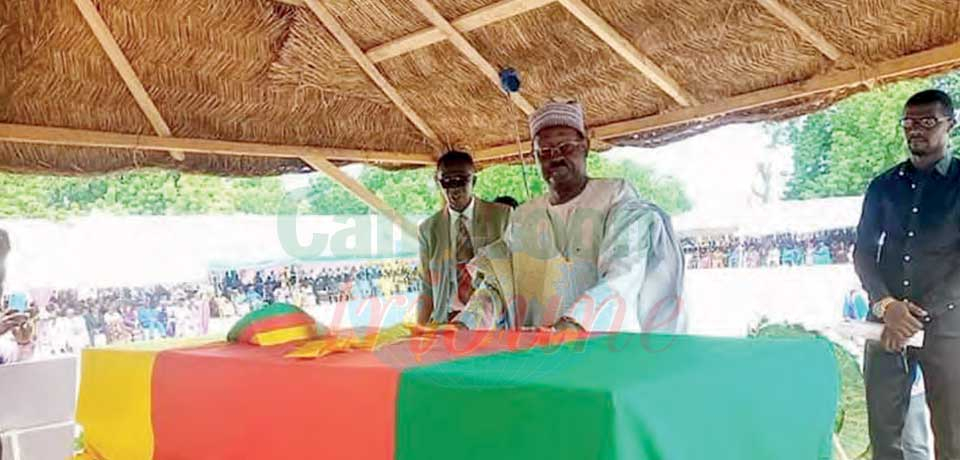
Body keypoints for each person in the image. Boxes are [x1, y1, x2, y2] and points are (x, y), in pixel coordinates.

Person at [454, 100, 685, 332]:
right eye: (544, 152)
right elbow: (497, 287)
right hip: (539, 353)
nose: (555, 157)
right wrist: (466, 323)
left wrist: (574, 323)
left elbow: (624, 271)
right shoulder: (523, 217)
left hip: (601, 350)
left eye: (565, 147)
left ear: (585, 145)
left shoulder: (615, 196)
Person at [853, 89, 958, 460]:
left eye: (927, 121)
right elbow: (864, 251)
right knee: (884, 434)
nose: (916, 129)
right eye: (909, 122)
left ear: (950, 124)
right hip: (885, 324)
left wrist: (913, 315)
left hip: (947, 327)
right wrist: (886, 305)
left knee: (952, 433)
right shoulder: (883, 186)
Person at [417, 150, 512, 325]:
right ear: (438, 183)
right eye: (446, 182)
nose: (454, 189)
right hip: (447, 322)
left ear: (473, 180)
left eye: (461, 180)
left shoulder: (501, 216)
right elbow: (427, 288)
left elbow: (514, 275)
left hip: (493, 322)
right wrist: (420, 334)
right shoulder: (428, 230)